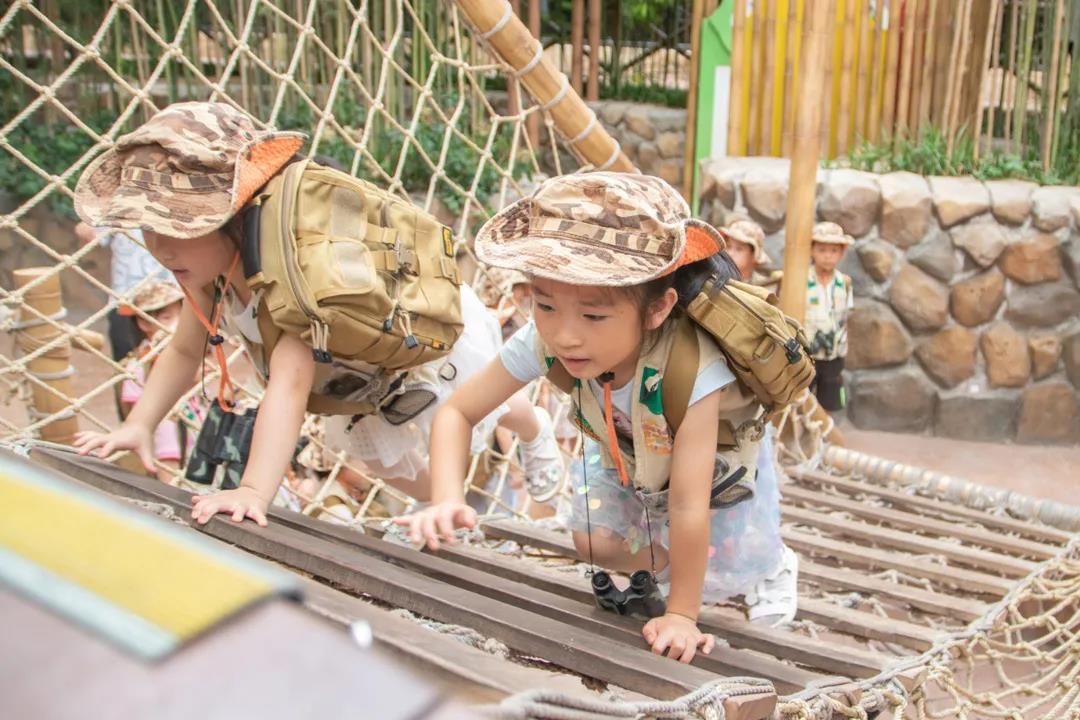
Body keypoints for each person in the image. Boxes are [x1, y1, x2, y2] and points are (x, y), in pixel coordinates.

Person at [71, 101, 562, 527]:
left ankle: (532, 424)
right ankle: (465, 489)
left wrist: (253, 492)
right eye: (148, 230)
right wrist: (139, 424)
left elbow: (288, 382)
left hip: (426, 346)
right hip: (360, 379)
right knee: (405, 476)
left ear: (230, 219)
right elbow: (183, 349)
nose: (158, 249)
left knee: (481, 411)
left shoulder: (289, 283)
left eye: (176, 229)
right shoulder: (211, 278)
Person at [396, 172, 793, 664]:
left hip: (713, 459)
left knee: (732, 552)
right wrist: (446, 498)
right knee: (590, 542)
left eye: (594, 316)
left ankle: (773, 566)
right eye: (544, 304)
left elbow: (691, 505)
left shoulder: (695, 370)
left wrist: (682, 616)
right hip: (624, 446)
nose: (565, 336)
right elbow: (457, 410)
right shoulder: (544, 341)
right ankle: (673, 562)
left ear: (657, 309)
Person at [116, 280, 205, 481]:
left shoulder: (189, 354)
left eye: (181, 315)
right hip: (164, 437)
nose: (176, 324)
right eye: (166, 317)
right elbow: (134, 406)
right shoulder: (138, 365)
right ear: (144, 322)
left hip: (193, 431)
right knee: (170, 466)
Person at [804, 221, 854, 413]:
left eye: (833, 251)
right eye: (822, 249)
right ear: (812, 250)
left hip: (833, 354)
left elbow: (845, 319)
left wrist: (842, 348)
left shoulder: (845, 283)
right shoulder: (802, 280)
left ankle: (824, 438)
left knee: (829, 400)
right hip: (808, 352)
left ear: (841, 253)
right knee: (802, 400)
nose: (827, 256)